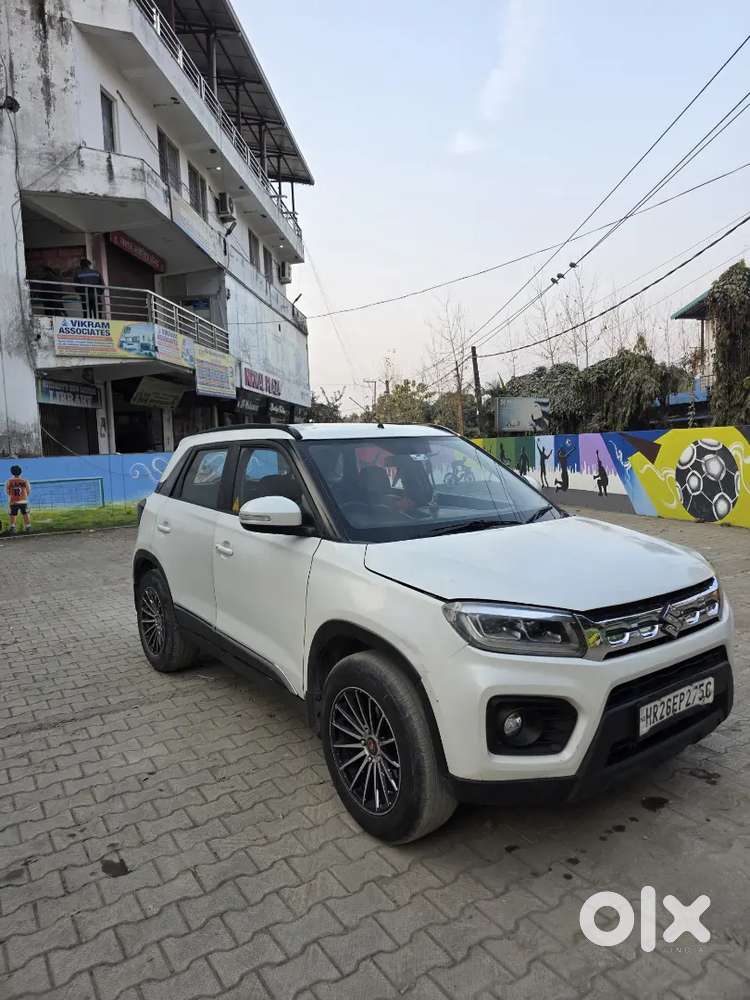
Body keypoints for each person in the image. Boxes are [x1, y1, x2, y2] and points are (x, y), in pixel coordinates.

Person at [6, 465, 31, 534]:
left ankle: (13, 527)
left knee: (13, 514)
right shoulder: (25, 481)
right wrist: (24, 496)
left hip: (13, 501)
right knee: (25, 513)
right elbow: (28, 490)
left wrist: (12, 496)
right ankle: (28, 527)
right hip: (23, 500)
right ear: (20, 472)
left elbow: (7, 491)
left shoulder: (9, 481)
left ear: (12, 472)